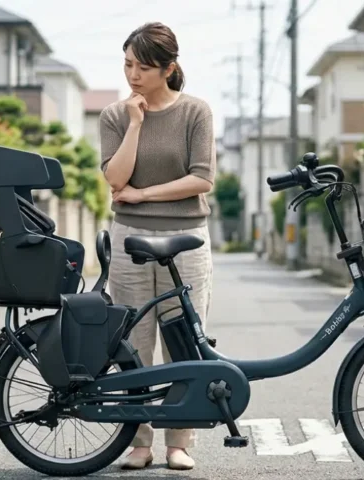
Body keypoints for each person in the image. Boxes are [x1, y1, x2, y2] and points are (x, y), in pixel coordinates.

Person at [98, 22, 216, 471]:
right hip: (130, 237)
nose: (133, 75)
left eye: (143, 68)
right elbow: (115, 179)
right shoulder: (115, 115)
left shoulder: (195, 112)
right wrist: (135, 123)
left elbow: (202, 178)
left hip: (186, 239)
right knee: (133, 342)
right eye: (128, 64)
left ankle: (179, 442)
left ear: (168, 69)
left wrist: (144, 194)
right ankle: (139, 442)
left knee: (183, 340)